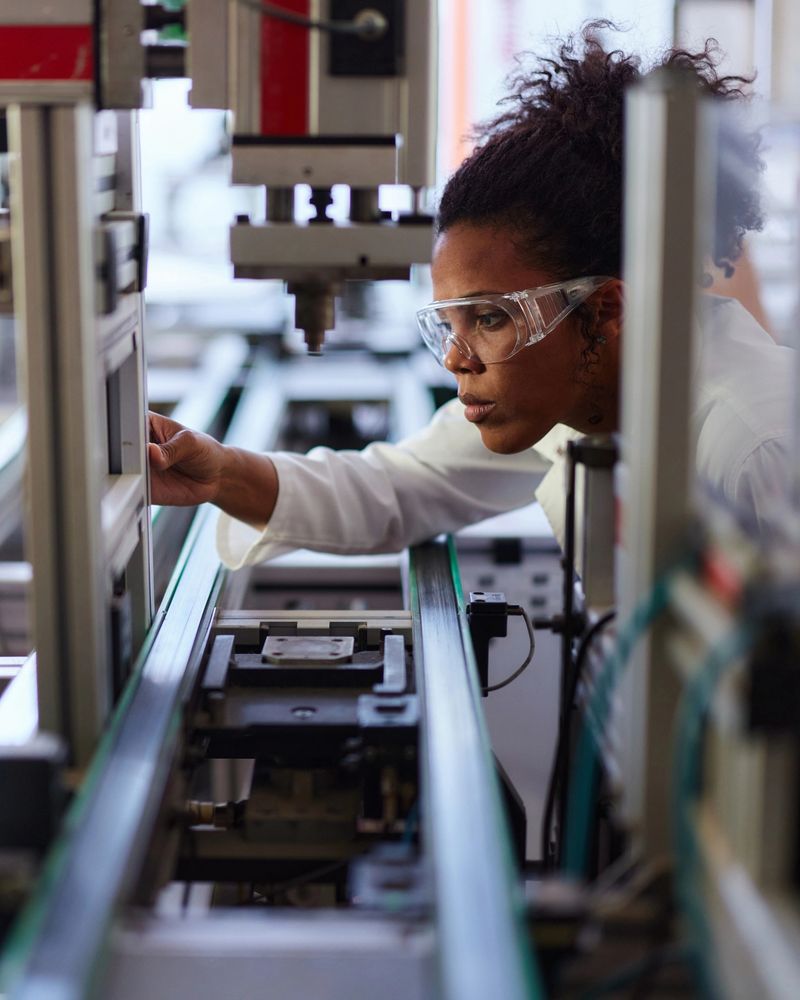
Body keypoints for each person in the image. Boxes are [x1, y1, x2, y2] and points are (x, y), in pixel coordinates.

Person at [149, 25, 793, 564]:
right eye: (448, 324)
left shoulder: (760, 447)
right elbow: (400, 489)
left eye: (488, 318)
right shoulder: (581, 389)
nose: (457, 359)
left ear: (604, 310)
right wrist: (221, 472)